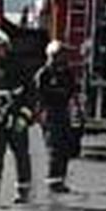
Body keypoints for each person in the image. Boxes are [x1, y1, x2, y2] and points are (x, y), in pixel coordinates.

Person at [0, 30, 34, 206]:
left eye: (2, 47)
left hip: (17, 117)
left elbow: (31, 93)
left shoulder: (19, 66)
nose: (0, 51)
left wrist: (24, 117)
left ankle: (23, 190)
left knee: (21, 155)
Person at [33, 41, 79, 194]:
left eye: (64, 55)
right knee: (54, 148)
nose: (63, 58)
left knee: (65, 147)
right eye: (60, 55)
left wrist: (76, 110)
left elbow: (73, 93)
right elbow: (37, 95)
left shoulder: (67, 73)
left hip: (63, 112)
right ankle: (53, 180)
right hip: (50, 113)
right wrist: (39, 114)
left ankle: (60, 180)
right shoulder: (43, 73)